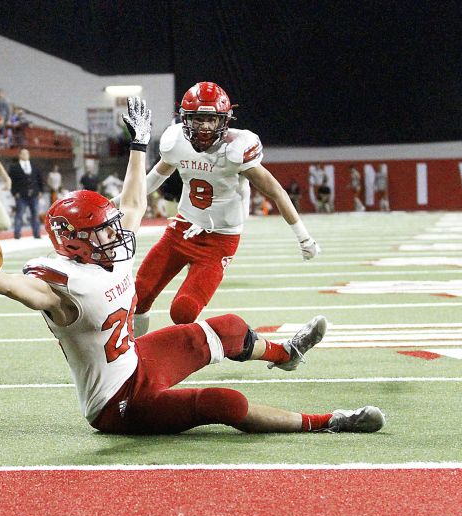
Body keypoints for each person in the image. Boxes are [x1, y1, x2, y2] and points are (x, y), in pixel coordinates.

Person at [0, 97, 384, 436]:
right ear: (74, 242)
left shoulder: (108, 251)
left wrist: (138, 144)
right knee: (223, 403)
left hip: (136, 360)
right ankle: (328, 422)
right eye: (103, 231)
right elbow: (10, 285)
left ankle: (287, 355)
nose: (115, 233)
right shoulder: (61, 282)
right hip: (116, 402)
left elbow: (132, 202)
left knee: (227, 328)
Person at [133, 82, 321, 335]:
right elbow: (153, 179)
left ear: (224, 120)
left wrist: (304, 237)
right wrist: (117, 203)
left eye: (211, 119)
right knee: (139, 295)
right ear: (186, 119)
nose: (205, 127)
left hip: (220, 240)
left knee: (183, 311)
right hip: (181, 229)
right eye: (198, 119)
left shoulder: (236, 149)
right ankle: (134, 353)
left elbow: (276, 191)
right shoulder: (176, 142)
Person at [8, 148, 44, 240]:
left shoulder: (34, 165)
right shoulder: (14, 167)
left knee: (35, 215)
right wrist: (14, 193)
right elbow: (10, 181)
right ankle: (17, 234)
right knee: (19, 214)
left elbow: (40, 179)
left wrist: (41, 191)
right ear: (20, 155)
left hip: (34, 194)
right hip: (21, 195)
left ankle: (37, 234)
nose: (26, 155)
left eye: (27, 153)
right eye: (23, 153)